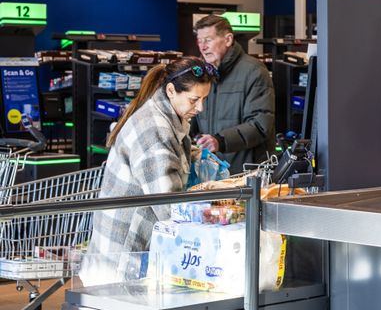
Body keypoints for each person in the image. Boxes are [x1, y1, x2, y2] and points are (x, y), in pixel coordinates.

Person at [83, 57, 215, 286]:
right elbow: (168, 206)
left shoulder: (166, 116)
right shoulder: (155, 131)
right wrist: (213, 218)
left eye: (204, 99)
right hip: (120, 262)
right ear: (171, 90)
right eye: (194, 99)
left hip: (121, 253)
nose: (200, 108)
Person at [191, 14, 276, 175]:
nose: (203, 47)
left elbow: (260, 124)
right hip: (211, 173)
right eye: (199, 41)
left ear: (228, 40)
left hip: (247, 174)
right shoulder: (202, 73)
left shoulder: (254, 71)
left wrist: (220, 141)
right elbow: (194, 118)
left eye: (208, 40)